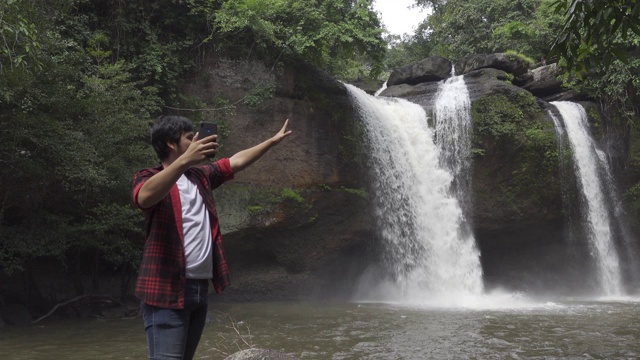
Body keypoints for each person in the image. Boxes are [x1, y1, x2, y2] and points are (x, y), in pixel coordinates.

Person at [131, 115, 291, 360]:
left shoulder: (200, 177)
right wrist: (185, 161)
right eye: (189, 137)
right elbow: (144, 198)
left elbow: (235, 162)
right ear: (171, 144)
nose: (196, 139)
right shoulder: (148, 176)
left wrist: (271, 141)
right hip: (165, 290)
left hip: (198, 289)